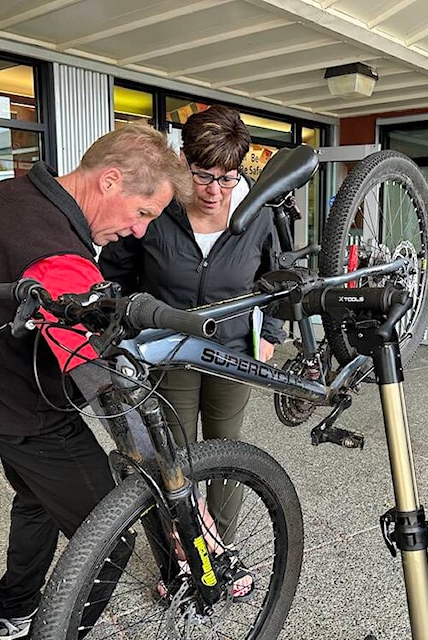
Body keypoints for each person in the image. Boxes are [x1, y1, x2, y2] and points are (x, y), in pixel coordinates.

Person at [0, 123, 192, 640]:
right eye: (142, 213)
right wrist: (162, 470)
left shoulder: (4, 197)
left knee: (36, 497)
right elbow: (98, 382)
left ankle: (15, 611)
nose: (141, 231)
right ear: (110, 181)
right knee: (109, 534)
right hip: (29, 414)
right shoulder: (59, 254)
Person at [98, 104, 287, 551]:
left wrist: (272, 334)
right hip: (168, 350)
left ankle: (222, 550)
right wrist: (120, 324)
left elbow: (278, 278)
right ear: (184, 159)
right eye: (203, 174)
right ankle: (182, 556)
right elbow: (117, 272)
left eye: (227, 177)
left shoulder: (257, 211)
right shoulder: (158, 207)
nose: (214, 190)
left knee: (227, 453)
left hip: (234, 351)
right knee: (173, 459)